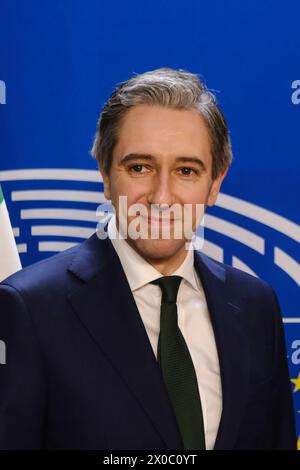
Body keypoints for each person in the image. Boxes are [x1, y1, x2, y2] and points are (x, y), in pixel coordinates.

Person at [0, 68, 297, 450]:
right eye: (139, 167)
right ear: (106, 175)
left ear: (215, 184)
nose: (161, 197)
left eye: (186, 171)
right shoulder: (28, 308)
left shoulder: (256, 305)